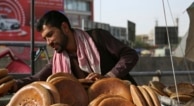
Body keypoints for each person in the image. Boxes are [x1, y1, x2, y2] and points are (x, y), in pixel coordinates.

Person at [11, 10, 139, 92]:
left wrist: (108, 77)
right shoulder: (58, 59)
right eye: (45, 38)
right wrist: (13, 85)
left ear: (65, 27)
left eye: (50, 35)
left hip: (125, 99)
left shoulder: (97, 37)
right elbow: (38, 78)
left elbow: (130, 55)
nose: (48, 42)